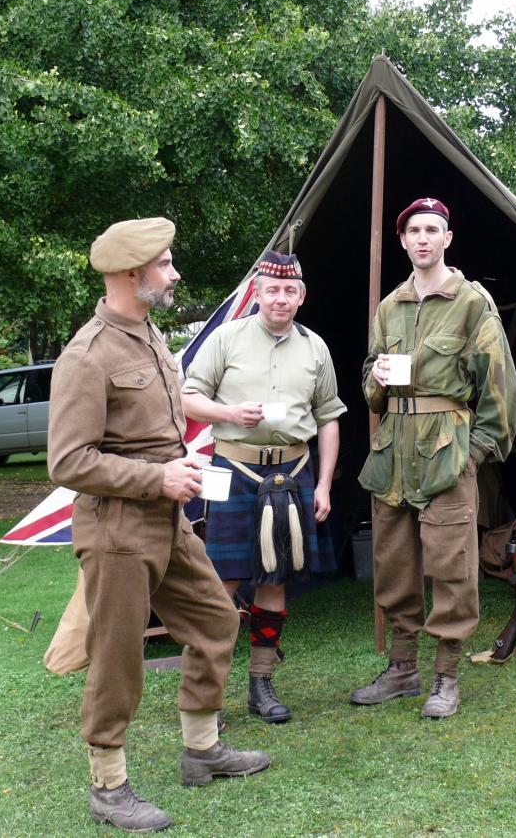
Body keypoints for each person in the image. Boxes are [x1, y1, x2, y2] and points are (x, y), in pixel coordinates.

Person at [48, 217, 270, 834]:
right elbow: (68, 461)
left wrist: (182, 463)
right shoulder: (86, 355)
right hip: (117, 529)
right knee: (117, 657)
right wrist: (158, 478)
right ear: (131, 275)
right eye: (166, 264)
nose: (174, 274)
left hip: (168, 523)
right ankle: (108, 788)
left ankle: (202, 751)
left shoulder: (150, 335)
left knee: (217, 619)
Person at [353, 197, 516, 719]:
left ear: (447, 239)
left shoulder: (472, 303)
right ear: (402, 240)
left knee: (452, 566)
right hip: (393, 453)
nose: (423, 238)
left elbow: (499, 385)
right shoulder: (389, 306)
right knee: (394, 564)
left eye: (433, 230)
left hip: (448, 450)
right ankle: (403, 668)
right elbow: (369, 380)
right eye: (414, 231)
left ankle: (446, 676)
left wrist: (476, 452)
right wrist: (374, 382)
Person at [182, 249, 347, 724]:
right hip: (234, 470)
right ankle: (204, 690)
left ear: (301, 296)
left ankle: (261, 684)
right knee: (220, 580)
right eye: (271, 290)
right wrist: (231, 414)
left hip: (294, 474)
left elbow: (329, 418)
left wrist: (325, 486)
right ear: (256, 293)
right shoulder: (225, 338)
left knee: (275, 579)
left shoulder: (315, 346)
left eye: (289, 290)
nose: (280, 298)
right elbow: (189, 398)